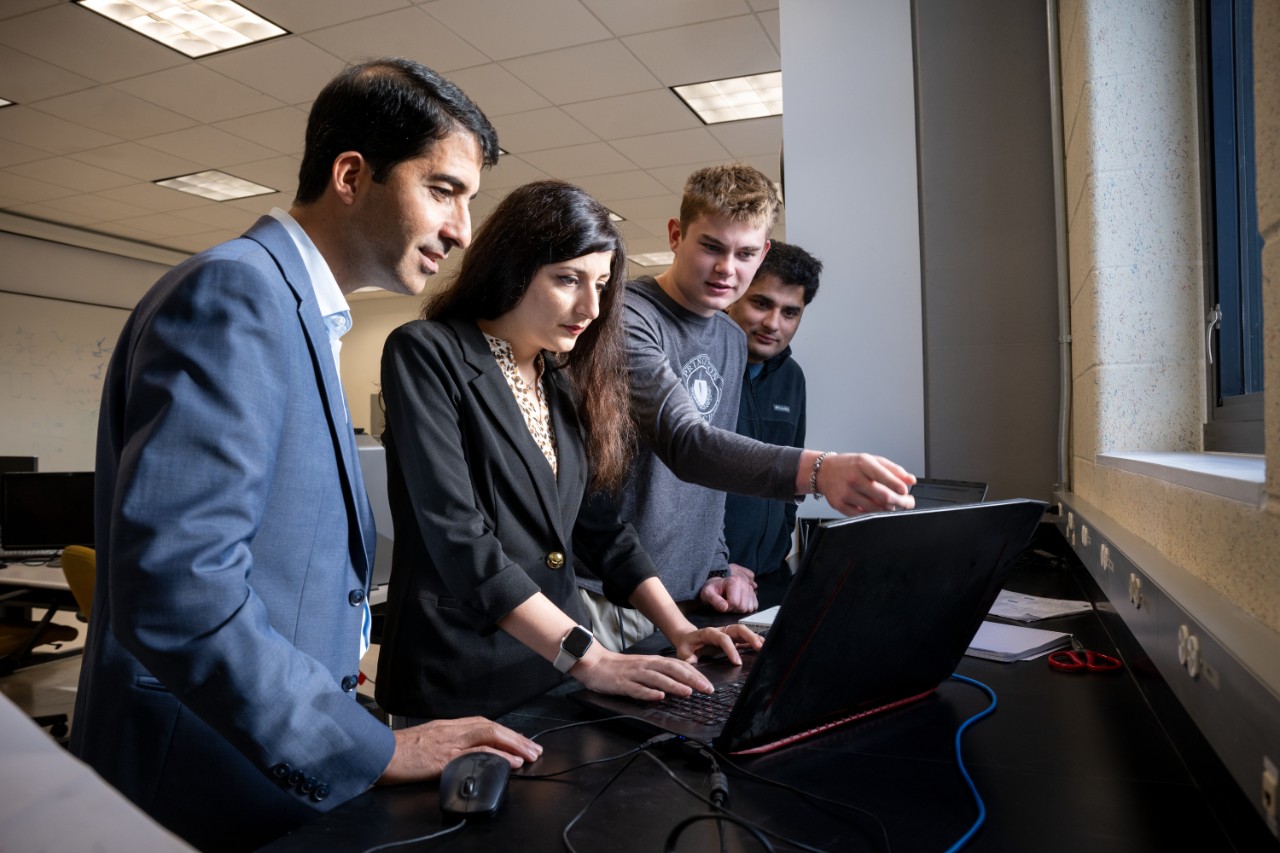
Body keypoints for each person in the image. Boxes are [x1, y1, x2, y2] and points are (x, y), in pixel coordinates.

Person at [69, 58, 541, 852]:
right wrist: (373, 745)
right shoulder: (236, 292)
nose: (462, 229)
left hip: (251, 748)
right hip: (201, 766)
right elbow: (181, 588)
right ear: (352, 174)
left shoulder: (301, 311)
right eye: (444, 190)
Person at [374, 180, 761, 722]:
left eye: (601, 285)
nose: (590, 306)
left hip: (550, 669)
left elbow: (601, 530)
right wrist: (592, 658)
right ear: (512, 266)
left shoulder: (559, 379)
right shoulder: (427, 354)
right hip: (459, 674)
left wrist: (682, 629)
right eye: (568, 279)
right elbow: (460, 538)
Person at [577, 163, 916, 650]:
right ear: (676, 235)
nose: (726, 269)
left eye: (746, 253)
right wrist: (818, 470)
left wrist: (716, 563)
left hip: (694, 602)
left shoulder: (731, 339)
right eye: (711, 246)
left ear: (764, 253)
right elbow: (686, 444)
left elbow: (709, 486)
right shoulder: (626, 317)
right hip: (610, 597)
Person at [723, 241, 824, 610]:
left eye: (790, 312)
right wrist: (712, 565)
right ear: (733, 295)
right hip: (703, 581)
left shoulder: (792, 378)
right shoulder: (699, 366)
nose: (773, 324)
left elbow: (790, 475)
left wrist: (781, 540)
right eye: (761, 303)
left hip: (768, 574)